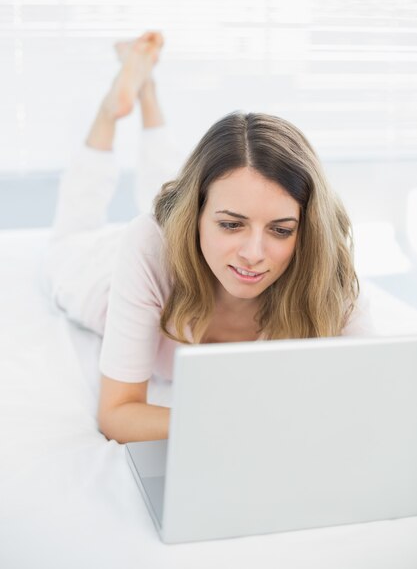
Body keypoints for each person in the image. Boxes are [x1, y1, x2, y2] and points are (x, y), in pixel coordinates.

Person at [46, 31, 373, 444]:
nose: (254, 254)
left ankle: (146, 89)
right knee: (71, 234)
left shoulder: (329, 270)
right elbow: (117, 414)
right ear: (197, 217)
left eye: (281, 230)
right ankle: (112, 109)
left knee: (166, 182)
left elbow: (368, 403)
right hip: (104, 275)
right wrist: (239, 425)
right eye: (231, 225)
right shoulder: (149, 244)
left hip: (185, 233)